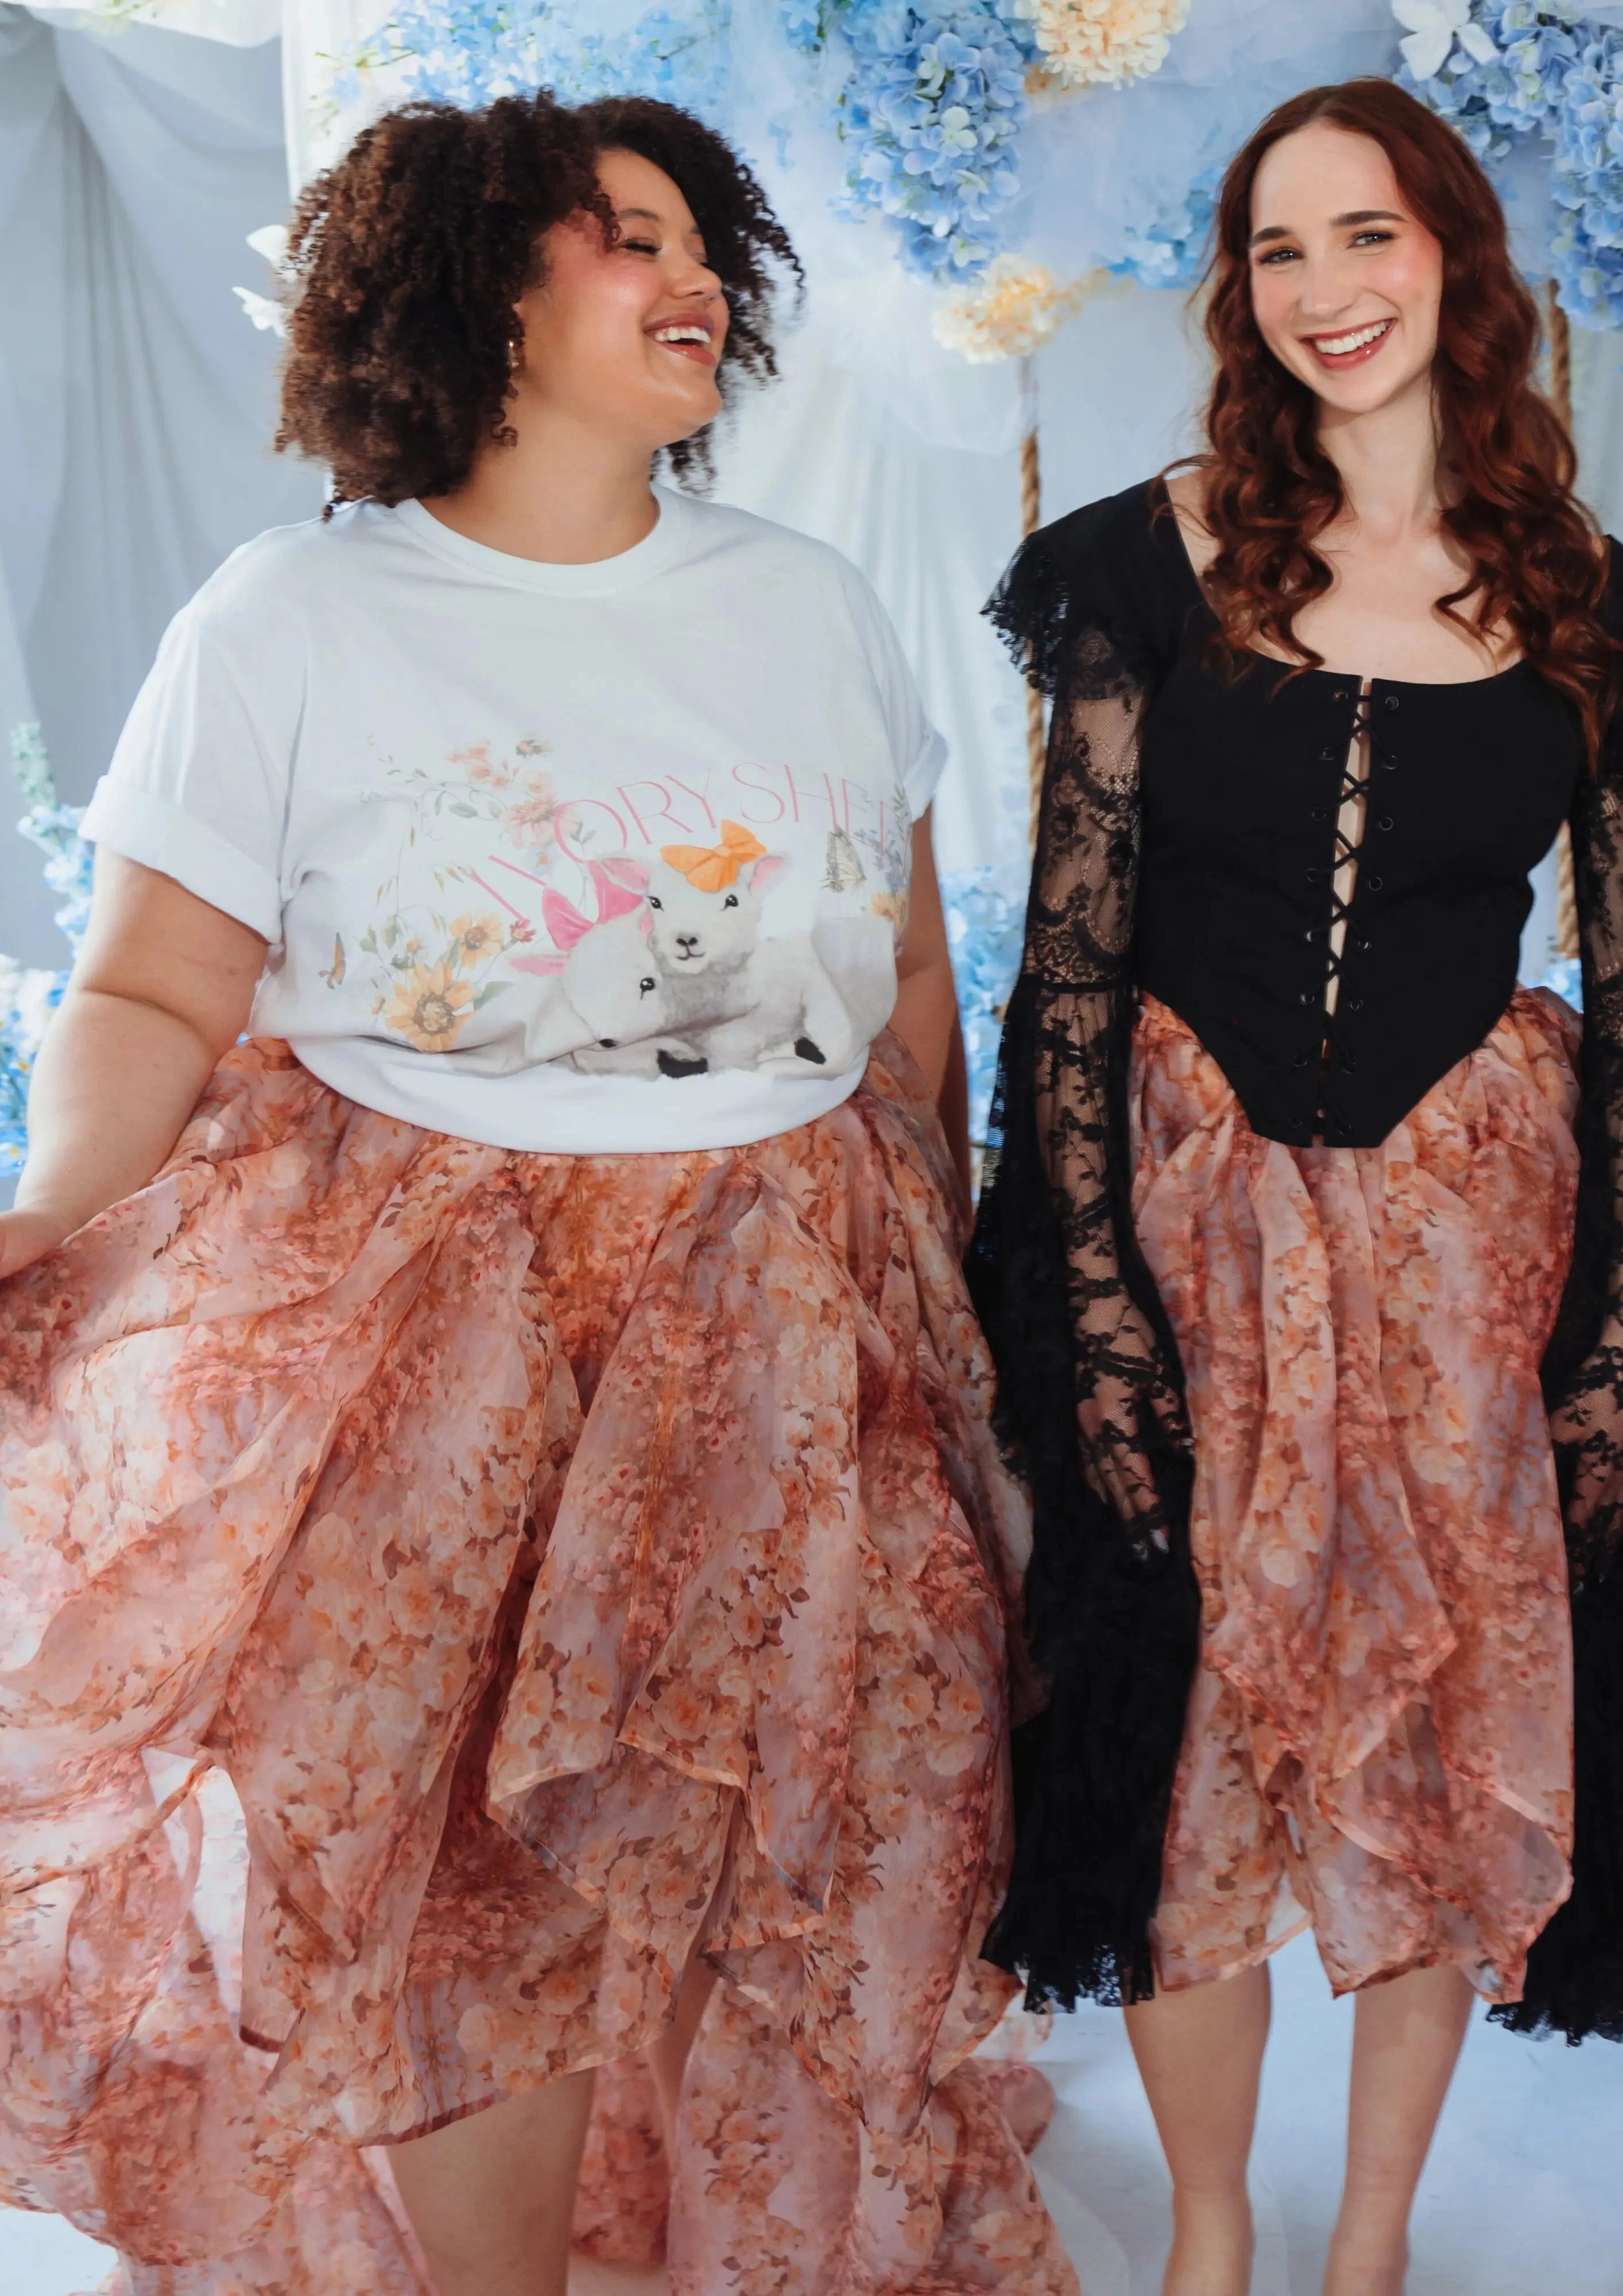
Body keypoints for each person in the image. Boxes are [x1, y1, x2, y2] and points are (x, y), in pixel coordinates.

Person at [0, 92, 1073, 2296]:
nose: (693, 280)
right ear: (479, 289)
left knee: (787, 1840)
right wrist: (49, 1204)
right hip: (436, 1313)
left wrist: (943, 1265)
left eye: (700, 241)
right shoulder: (293, 613)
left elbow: (904, 978)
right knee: (469, 1884)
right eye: (624, 237)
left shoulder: (810, 606)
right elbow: (158, 984)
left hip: (787, 1298)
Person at [968, 73, 1623, 2296]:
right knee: (1178, 1730)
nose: (1322, 289)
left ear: (1456, 255)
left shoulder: (1600, 612)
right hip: (1190, 1223)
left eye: (1365, 234)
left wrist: (1621, 1334)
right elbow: (1070, 966)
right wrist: (1090, 1292)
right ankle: (1212, 2232)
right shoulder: (1142, 561)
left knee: (1440, 1728)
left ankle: (1369, 2242)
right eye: (1277, 248)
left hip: (1471, 1243)